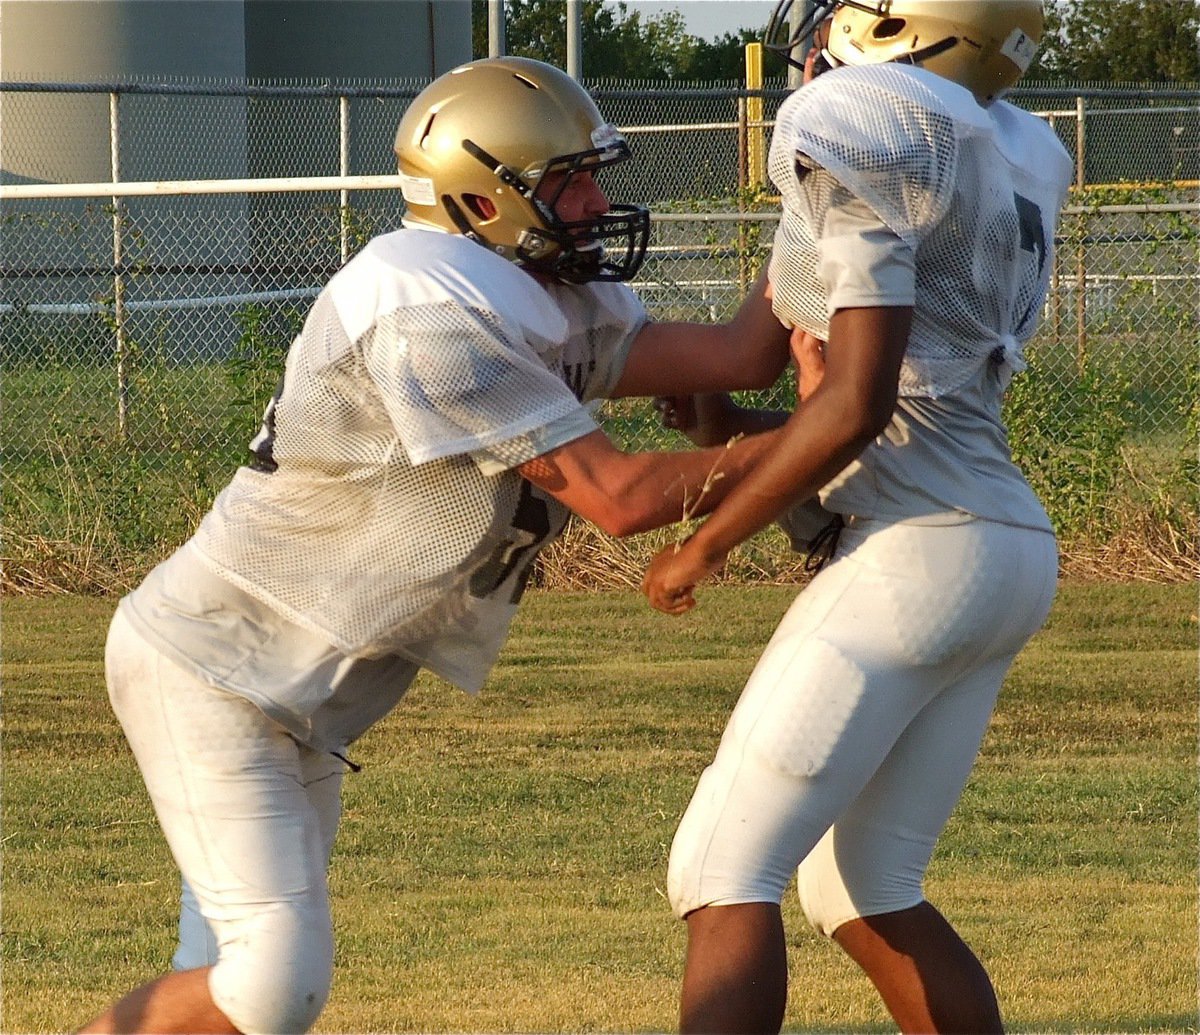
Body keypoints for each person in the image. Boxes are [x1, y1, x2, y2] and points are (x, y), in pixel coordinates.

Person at [80, 56, 797, 1035]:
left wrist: (825, 205)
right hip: (217, 665)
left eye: (594, 175)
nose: (597, 202)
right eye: (568, 183)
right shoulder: (429, 315)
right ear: (475, 198)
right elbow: (619, 497)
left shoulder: (536, 287)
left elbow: (736, 355)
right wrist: (825, 434)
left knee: (226, 979)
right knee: (268, 987)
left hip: (306, 683)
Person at [642, 2, 1073, 1032]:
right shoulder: (994, 143)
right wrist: (729, 419)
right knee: (866, 884)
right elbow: (860, 401)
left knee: (721, 865)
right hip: (1000, 541)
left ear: (900, 27)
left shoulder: (869, 120)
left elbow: (857, 404)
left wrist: (703, 544)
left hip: (919, 553)